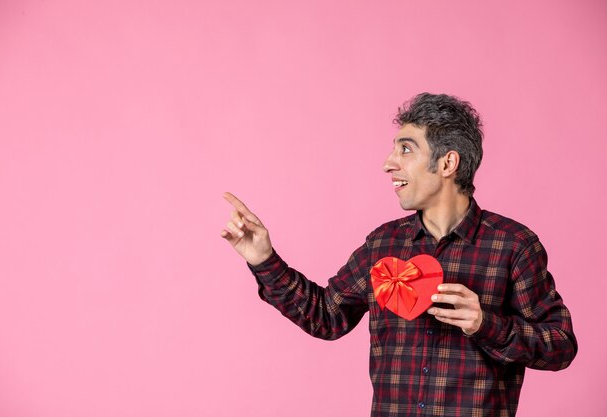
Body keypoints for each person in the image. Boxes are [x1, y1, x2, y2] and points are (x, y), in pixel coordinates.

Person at [220, 93, 577, 417]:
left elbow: (561, 346)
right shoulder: (383, 244)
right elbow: (326, 316)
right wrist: (263, 259)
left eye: (405, 149)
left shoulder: (513, 245)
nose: (388, 164)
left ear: (448, 163)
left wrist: (485, 325)